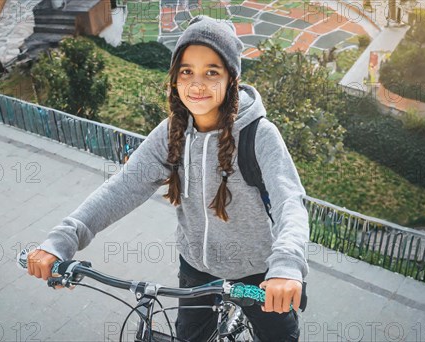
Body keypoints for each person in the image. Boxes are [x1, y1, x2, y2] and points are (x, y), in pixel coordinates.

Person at [27, 15, 309, 342]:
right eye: (186, 71)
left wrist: (286, 268)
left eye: (212, 72)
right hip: (197, 269)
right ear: (175, 77)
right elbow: (123, 187)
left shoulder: (259, 135)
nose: (197, 84)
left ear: (232, 79)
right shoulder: (171, 132)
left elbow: (291, 204)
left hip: (258, 273)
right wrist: (63, 239)